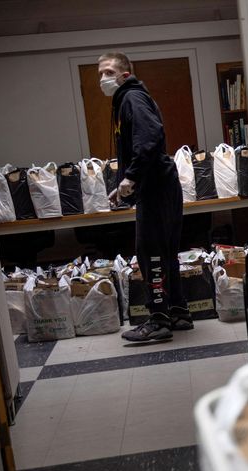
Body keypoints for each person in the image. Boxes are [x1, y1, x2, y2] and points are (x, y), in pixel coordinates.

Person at [98, 51, 194, 342]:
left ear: (125, 75)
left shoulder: (132, 99)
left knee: (150, 253)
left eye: (109, 72)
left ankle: (159, 321)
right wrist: (124, 183)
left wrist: (132, 177)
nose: (103, 79)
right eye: (100, 74)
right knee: (165, 253)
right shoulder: (129, 99)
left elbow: (150, 137)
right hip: (160, 185)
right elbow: (139, 146)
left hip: (155, 187)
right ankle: (178, 312)